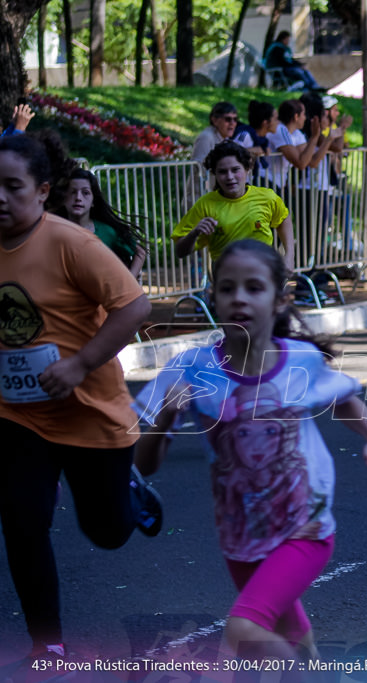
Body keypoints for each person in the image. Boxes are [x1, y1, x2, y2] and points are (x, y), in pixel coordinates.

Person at [134, 239, 367, 660]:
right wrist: (166, 417)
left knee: (243, 631)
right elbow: (144, 465)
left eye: (253, 288)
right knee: (297, 641)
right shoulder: (190, 369)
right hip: (240, 535)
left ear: (279, 300)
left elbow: (345, 398)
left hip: (305, 528)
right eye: (227, 288)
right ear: (213, 299)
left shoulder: (301, 359)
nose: (239, 297)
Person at [0, 134, 162, 669]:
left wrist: (78, 364)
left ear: (43, 190)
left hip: (90, 414)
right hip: (18, 415)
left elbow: (134, 307)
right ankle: (46, 644)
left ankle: (130, 491)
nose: (0, 197)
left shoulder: (72, 243)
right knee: (22, 524)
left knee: (108, 532)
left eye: (12, 187)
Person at [173, 141, 295, 274]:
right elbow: (180, 251)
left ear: (247, 169)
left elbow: (283, 219)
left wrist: (289, 256)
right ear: (214, 174)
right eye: (222, 172)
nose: (230, 177)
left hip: (263, 272)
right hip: (227, 277)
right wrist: (194, 233)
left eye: (235, 170)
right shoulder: (205, 205)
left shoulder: (267, 197)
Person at [58, 168, 148, 278]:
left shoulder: (107, 232)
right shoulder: (53, 230)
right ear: (63, 198)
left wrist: (130, 282)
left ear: (93, 201)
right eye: (72, 192)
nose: (78, 198)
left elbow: (140, 252)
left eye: (85, 193)